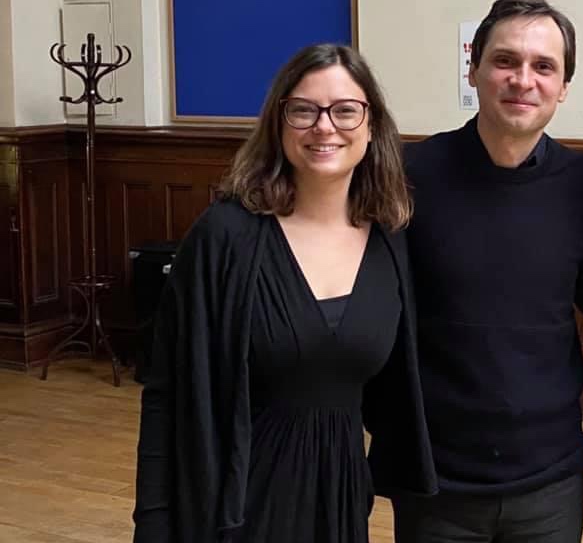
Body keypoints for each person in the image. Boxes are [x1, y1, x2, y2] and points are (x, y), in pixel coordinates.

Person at [132, 44, 437, 543]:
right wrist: (152, 521)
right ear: (278, 123)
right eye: (303, 110)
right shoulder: (224, 236)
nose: (324, 126)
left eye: (345, 110)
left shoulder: (390, 240)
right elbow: (166, 390)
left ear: (372, 126)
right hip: (234, 499)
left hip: (340, 496)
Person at [390, 0, 583, 543]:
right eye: (505, 61)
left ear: (564, 86)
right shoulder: (409, 176)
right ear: (474, 70)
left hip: (550, 478)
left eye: (544, 67)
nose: (523, 80)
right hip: (436, 477)